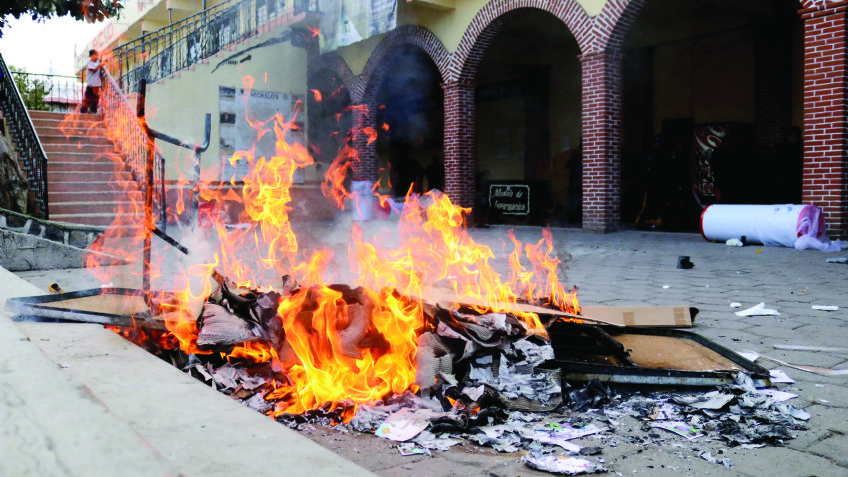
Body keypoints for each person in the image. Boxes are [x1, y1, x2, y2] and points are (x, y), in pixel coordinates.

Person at [80, 49, 102, 114]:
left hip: (97, 85)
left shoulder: (98, 62)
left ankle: (93, 112)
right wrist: (99, 66)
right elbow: (93, 70)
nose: (96, 56)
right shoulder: (88, 63)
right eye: (95, 54)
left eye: (97, 54)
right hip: (90, 84)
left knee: (95, 101)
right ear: (91, 56)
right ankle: (84, 110)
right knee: (87, 100)